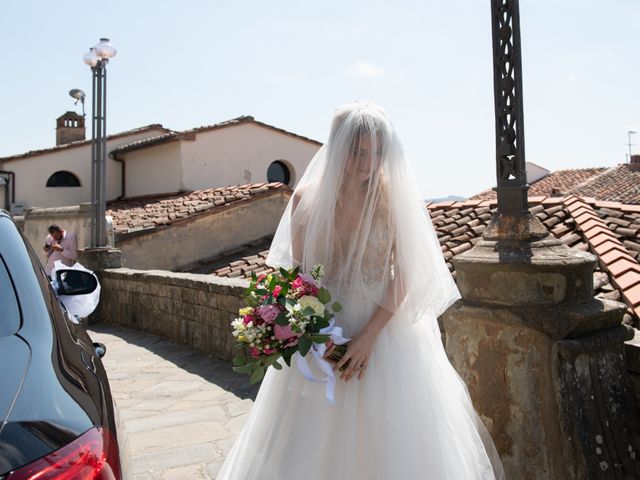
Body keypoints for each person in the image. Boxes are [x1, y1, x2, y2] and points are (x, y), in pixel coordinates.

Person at [218, 102, 504, 479]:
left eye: (377, 152)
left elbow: (405, 272)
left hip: (385, 333)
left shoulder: (391, 200)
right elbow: (299, 280)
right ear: (338, 147)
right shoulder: (306, 200)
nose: (368, 161)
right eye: (358, 151)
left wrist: (368, 337)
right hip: (322, 334)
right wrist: (315, 335)